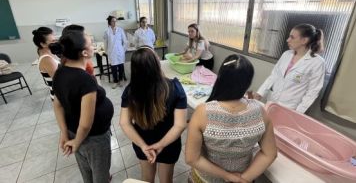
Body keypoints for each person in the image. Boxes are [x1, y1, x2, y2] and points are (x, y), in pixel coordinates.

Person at [185, 54, 277, 183]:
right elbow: (270, 154)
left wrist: (227, 176)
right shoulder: (260, 111)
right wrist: (243, 178)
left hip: (206, 179)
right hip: (244, 177)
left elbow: (192, 158)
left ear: (221, 78)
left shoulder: (203, 112)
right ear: (248, 82)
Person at [51, 30, 114, 183]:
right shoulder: (85, 80)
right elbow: (86, 124)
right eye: (91, 44)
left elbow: (57, 105)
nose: (93, 46)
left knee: (87, 171)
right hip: (93, 138)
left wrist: (65, 134)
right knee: (100, 175)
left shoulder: (59, 72)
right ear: (85, 53)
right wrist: (77, 142)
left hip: (74, 132)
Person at [119, 46, 187, 183]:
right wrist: (161, 145)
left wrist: (143, 146)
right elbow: (180, 125)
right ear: (156, 63)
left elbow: (124, 122)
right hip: (169, 144)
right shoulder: (175, 88)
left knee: (147, 179)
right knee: (166, 180)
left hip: (142, 142)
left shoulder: (130, 90)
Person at [254, 24, 326, 113]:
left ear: (304, 40)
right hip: (272, 101)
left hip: (291, 108)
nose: (287, 40)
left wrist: (298, 112)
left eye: (292, 37)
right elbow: (274, 76)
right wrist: (260, 93)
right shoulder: (286, 54)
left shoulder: (317, 62)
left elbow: (312, 92)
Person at [32, 27, 60, 101]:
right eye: (53, 41)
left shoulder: (50, 53)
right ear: (43, 44)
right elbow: (60, 80)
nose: (56, 42)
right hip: (59, 96)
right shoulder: (47, 59)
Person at [104, 16, 127, 89]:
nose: (114, 22)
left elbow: (125, 41)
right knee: (113, 67)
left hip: (120, 52)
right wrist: (107, 52)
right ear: (109, 22)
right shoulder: (106, 31)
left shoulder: (120, 30)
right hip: (112, 52)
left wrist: (123, 50)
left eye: (115, 21)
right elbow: (105, 43)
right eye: (113, 21)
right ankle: (115, 81)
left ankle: (121, 80)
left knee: (121, 67)